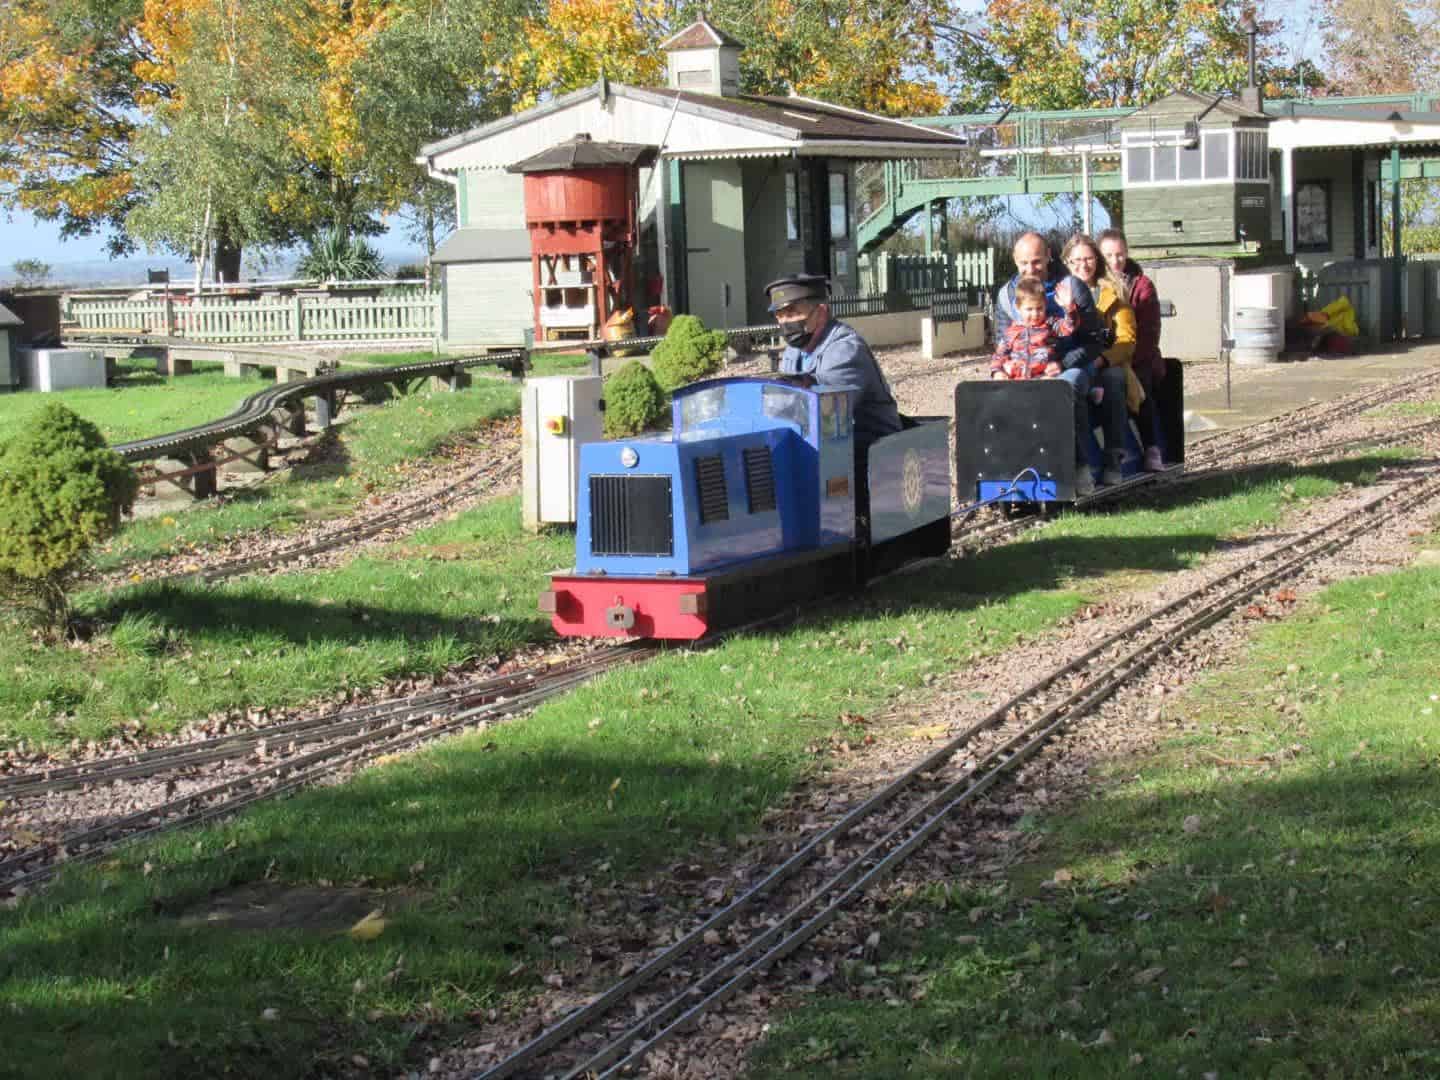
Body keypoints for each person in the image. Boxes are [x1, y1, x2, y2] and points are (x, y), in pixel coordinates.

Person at [994, 232, 1115, 494]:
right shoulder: (1006, 296)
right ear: (1015, 260)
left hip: (1072, 366)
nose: (1031, 269)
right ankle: (1010, 470)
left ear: (1049, 256)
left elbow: (1093, 342)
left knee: (1063, 389)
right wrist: (999, 370)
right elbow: (1001, 342)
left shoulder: (1072, 287)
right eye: (1024, 263)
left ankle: (1081, 467)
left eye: (1037, 262)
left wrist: (1060, 362)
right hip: (1025, 368)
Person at [765, 274, 902, 456]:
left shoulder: (845, 349)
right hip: (831, 449)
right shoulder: (794, 350)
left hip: (873, 454)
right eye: (779, 316)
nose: (785, 323)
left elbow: (825, 413)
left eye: (793, 313)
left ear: (821, 312)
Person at [1062, 233, 1155, 480]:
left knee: (1113, 378)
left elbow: (1126, 341)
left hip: (1106, 362)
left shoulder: (1113, 292)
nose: (1083, 265)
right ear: (1067, 263)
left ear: (1097, 260)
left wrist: (1102, 360)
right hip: (1070, 363)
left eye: (1089, 259)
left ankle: (1114, 457)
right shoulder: (1058, 293)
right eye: (1076, 260)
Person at [1098, 227, 1166, 468]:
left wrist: (1127, 359)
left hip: (1138, 355)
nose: (1115, 260)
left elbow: (1149, 333)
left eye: (1119, 254)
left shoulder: (1142, 285)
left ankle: (1151, 446)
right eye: (1108, 255)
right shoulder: (1096, 285)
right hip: (1106, 353)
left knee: (1138, 383)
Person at [990, 277, 1075, 382]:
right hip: (1017, 379)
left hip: (1044, 376)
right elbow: (999, 354)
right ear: (1018, 307)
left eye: (1039, 308)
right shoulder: (1012, 331)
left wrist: (1069, 308)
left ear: (1045, 305)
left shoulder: (1051, 324)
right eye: (1029, 309)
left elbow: (1068, 327)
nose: (1035, 314)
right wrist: (997, 372)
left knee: (1054, 383)